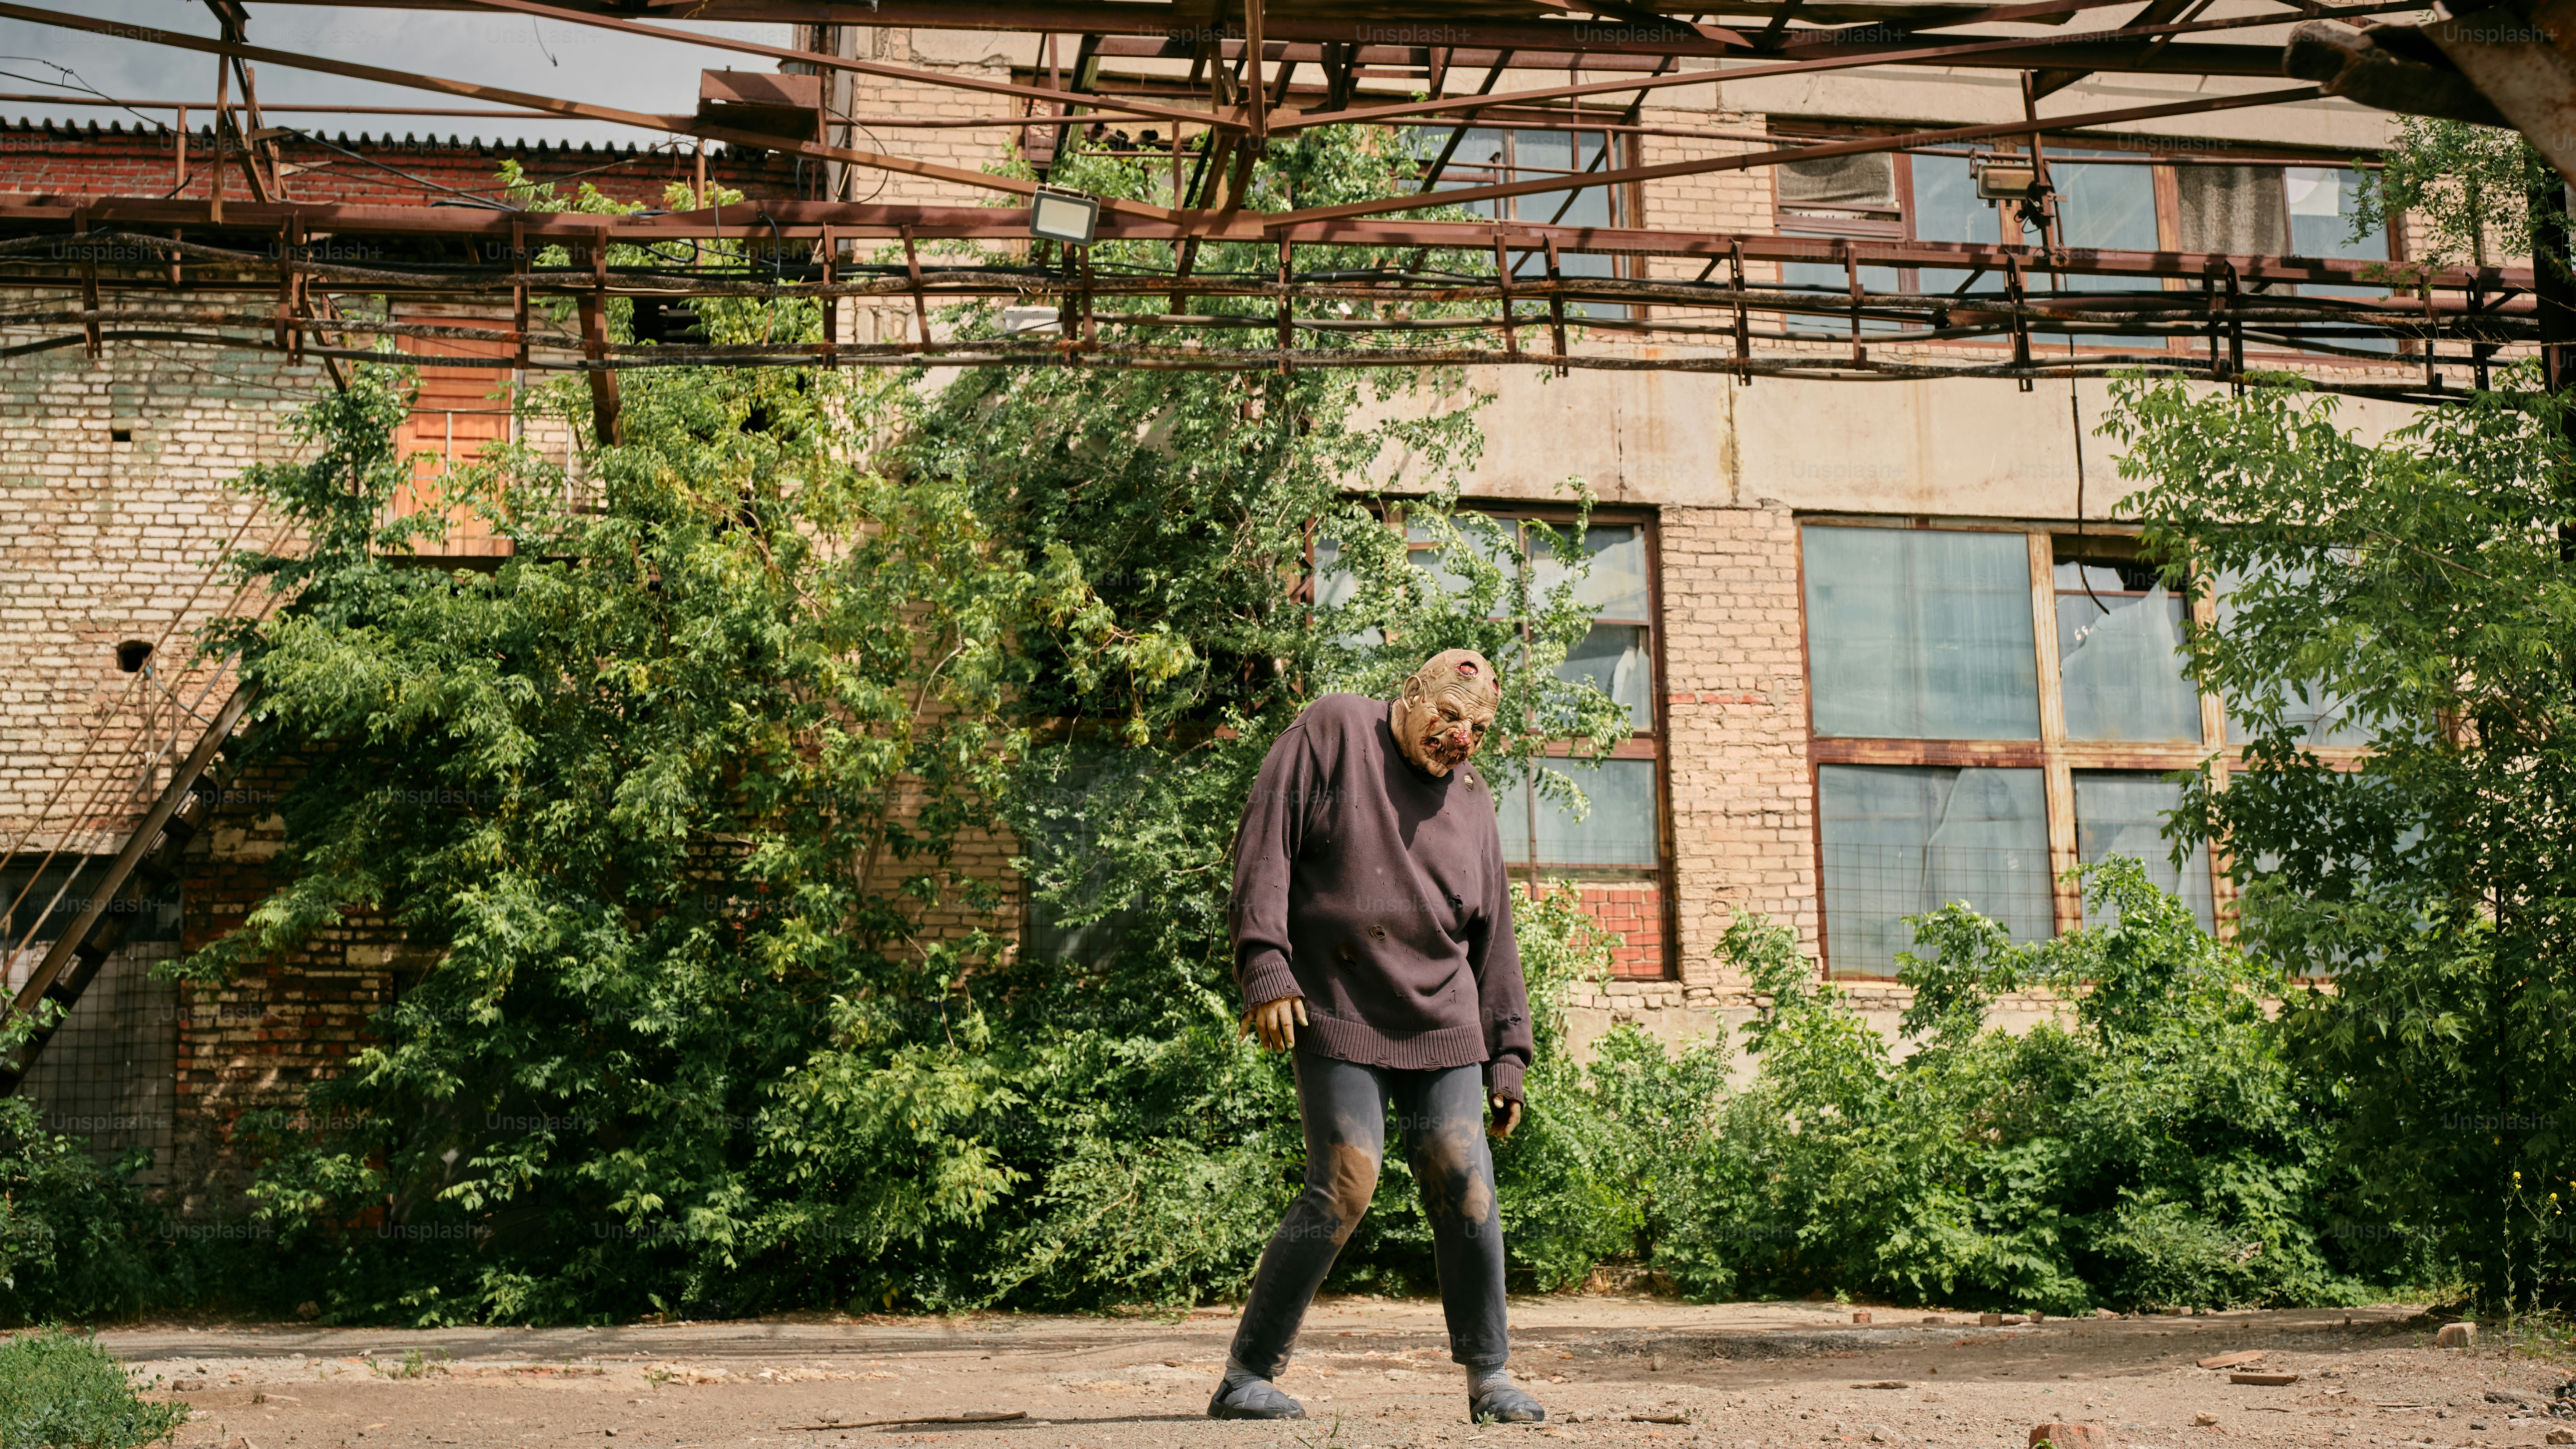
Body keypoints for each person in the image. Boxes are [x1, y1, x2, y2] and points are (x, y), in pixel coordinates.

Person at [1208, 648, 1546, 1426]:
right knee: (1345, 1184)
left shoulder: (1471, 798)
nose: (1460, 736)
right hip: (1335, 1002)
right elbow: (1265, 845)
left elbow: (1494, 937)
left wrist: (1508, 1054)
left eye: (1480, 727)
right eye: (1449, 714)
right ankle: (1245, 1376)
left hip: (1443, 1019)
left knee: (1464, 1178)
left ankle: (1488, 1378)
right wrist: (1265, 966)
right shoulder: (1333, 729)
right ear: (1408, 695)